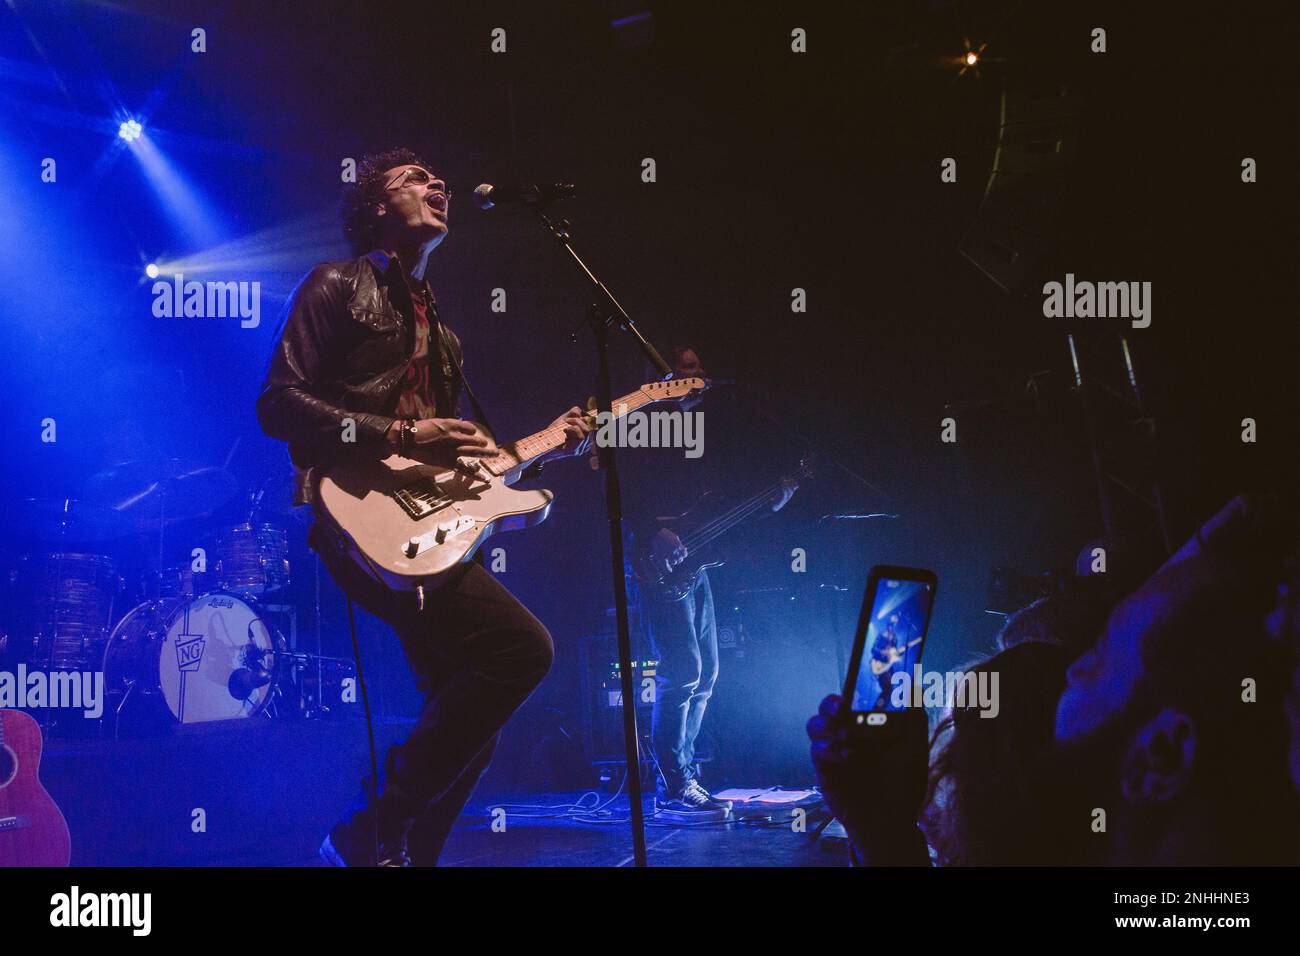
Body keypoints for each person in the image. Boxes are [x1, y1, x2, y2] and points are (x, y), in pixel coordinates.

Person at [256, 147, 593, 866]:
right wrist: (403, 430)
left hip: (412, 527)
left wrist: (547, 446)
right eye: (415, 180)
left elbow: (440, 468)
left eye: (438, 179)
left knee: (464, 703)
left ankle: (397, 849)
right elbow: (279, 403)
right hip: (349, 513)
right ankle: (371, 828)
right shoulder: (336, 285)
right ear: (377, 207)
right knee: (520, 650)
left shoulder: (444, 335)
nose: (438, 184)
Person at [622, 345, 796, 820]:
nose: (686, 374)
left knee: (708, 674)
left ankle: (684, 774)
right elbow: (618, 489)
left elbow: (718, 507)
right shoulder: (644, 426)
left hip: (695, 564)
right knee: (682, 672)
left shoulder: (709, 428)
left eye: (694, 367)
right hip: (655, 558)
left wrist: (772, 502)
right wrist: (651, 532)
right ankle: (672, 785)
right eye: (677, 367)